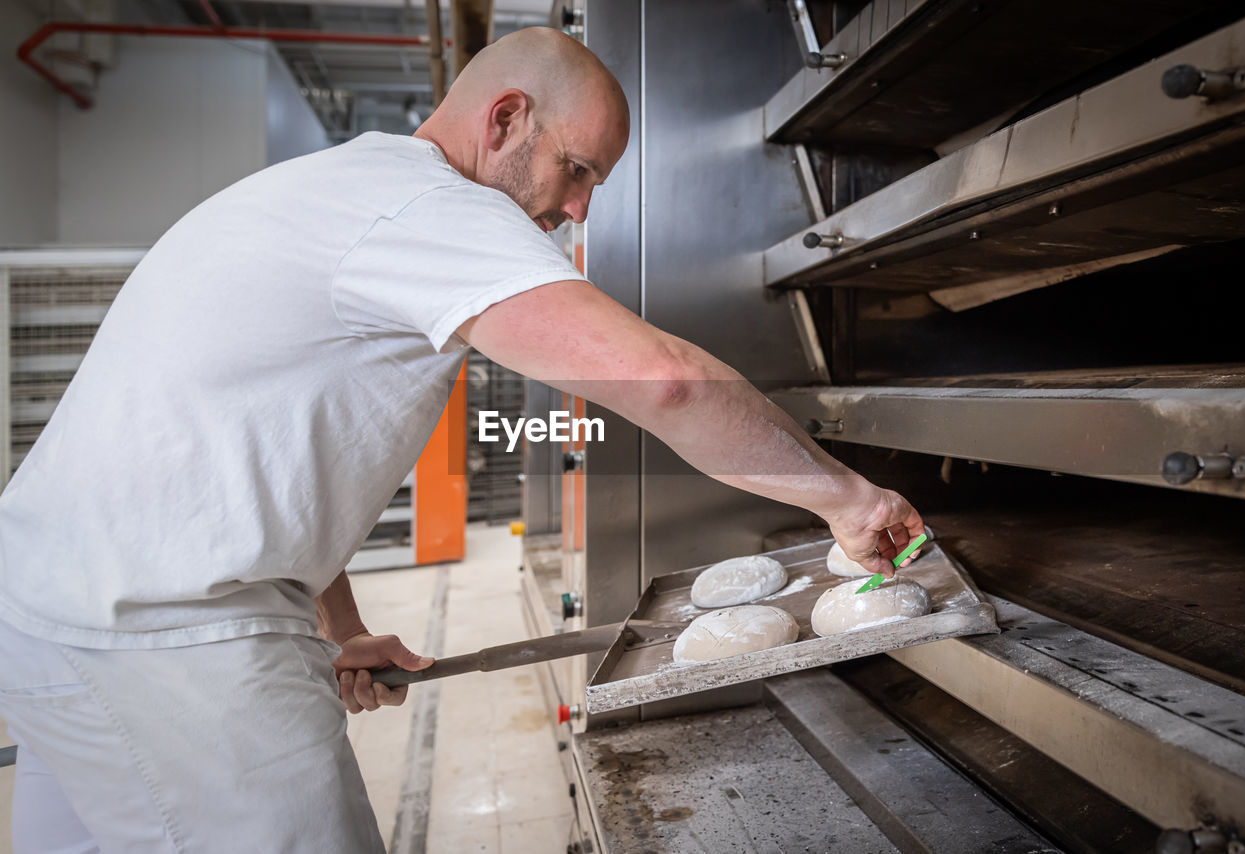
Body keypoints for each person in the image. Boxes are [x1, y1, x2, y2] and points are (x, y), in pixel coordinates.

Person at [0, 26, 924, 854]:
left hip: (52, 612)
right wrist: (849, 500)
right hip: (168, 639)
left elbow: (264, 451)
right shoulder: (428, 208)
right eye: (580, 169)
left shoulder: (342, 191)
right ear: (506, 119)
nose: (581, 210)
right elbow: (664, 379)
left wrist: (343, 631)